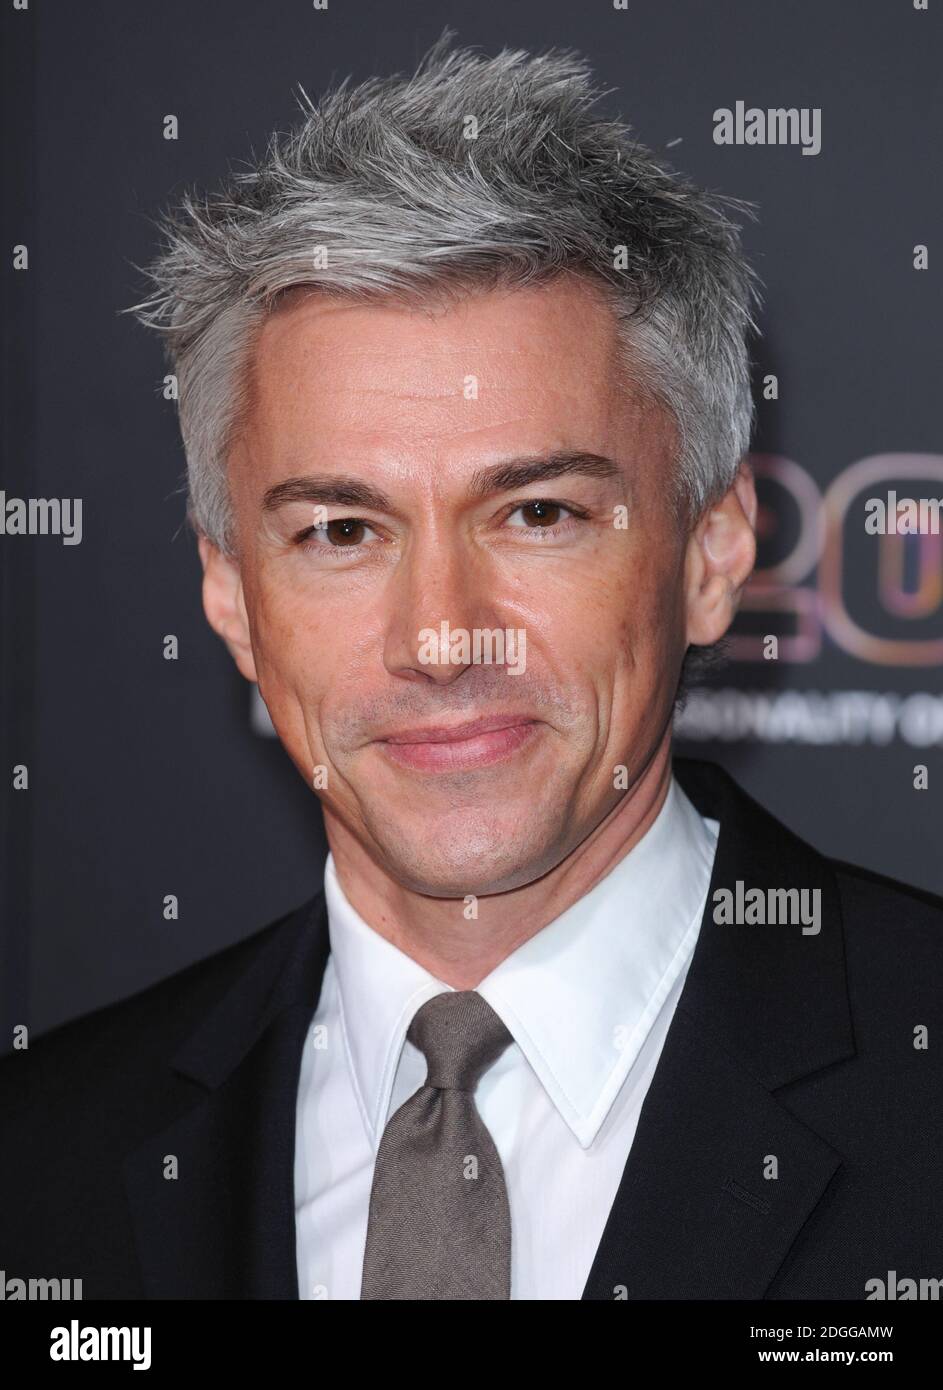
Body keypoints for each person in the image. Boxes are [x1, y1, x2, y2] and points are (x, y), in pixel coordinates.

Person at [2, 33, 941, 1302]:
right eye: (340, 531)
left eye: (537, 513)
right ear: (229, 592)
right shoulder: (44, 1162)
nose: (440, 636)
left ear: (712, 551)